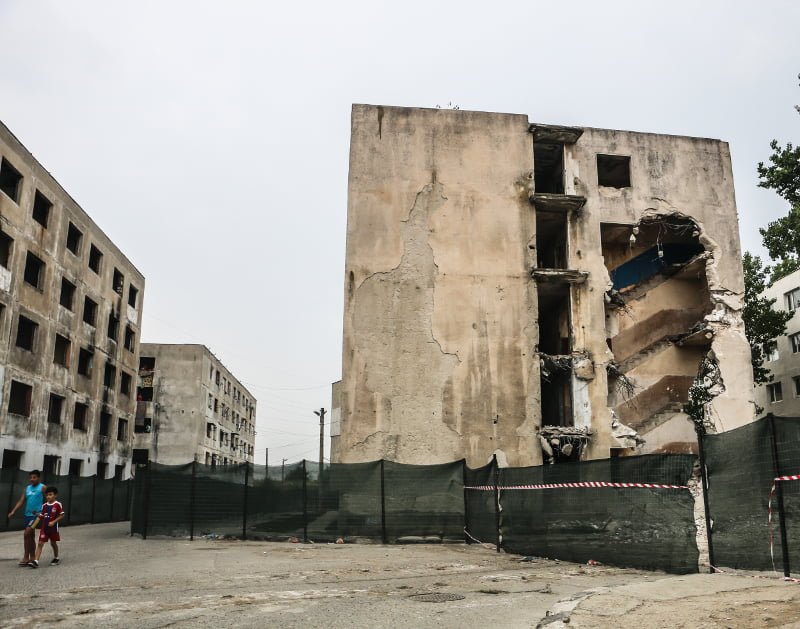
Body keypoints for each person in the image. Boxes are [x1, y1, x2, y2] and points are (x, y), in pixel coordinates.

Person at [7, 471, 46, 567]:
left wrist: (45, 512)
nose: (32, 479)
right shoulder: (27, 488)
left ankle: (25, 557)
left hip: (36, 515)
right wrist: (13, 511)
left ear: (39, 478)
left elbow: (48, 499)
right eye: (30, 477)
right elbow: (21, 501)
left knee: (26, 533)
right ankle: (32, 557)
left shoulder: (43, 487)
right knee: (30, 536)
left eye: (34, 477)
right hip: (27, 515)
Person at [28, 487, 64, 568]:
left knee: (53, 543)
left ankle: (56, 557)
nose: (48, 496)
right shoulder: (44, 505)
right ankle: (36, 561)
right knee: (40, 543)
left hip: (53, 529)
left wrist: (53, 522)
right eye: (47, 495)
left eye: (50, 495)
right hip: (44, 528)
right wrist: (36, 514)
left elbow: (62, 515)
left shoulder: (57, 504)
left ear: (55, 495)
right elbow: (42, 516)